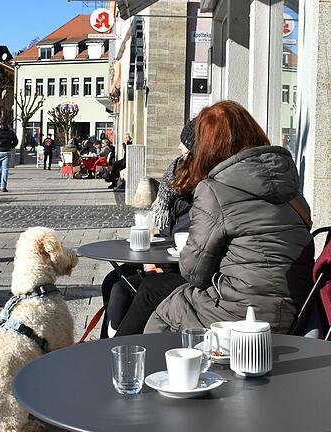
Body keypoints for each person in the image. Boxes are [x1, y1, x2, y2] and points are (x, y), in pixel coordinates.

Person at [145, 101, 314, 334]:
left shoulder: (214, 190)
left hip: (242, 315)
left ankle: (135, 367)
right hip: (296, 311)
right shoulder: (291, 187)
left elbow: (194, 273)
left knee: (165, 313)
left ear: (209, 147)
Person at [100, 121, 196, 338]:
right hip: (170, 263)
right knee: (112, 280)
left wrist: (158, 263)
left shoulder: (201, 193)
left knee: (125, 288)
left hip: (182, 271)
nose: (179, 148)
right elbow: (167, 234)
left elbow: (192, 243)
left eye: (185, 143)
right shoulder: (175, 188)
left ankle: (115, 348)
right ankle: (106, 341)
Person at [0, 115, 18, 192]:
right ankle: (3, 186)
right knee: (5, 169)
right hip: (7, 151)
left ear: (0, 122)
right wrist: (10, 147)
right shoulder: (10, 131)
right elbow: (16, 141)